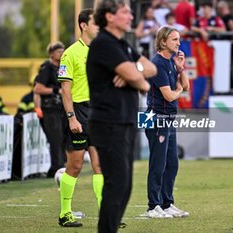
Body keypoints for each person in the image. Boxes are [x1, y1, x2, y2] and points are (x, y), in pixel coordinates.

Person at [86, 0, 157, 232]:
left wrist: (131, 72)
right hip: (108, 123)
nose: (130, 17)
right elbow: (141, 80)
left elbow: (151, 69)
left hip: (124, 121)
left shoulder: (122, 45)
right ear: (109, 16)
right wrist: (134, 74)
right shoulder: (104, 44)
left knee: (124, 186)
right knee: (116, 185)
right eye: (125, 12)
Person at [57, 8, 102, 228]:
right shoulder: (70, 53)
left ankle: (106, 214)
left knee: (100, 165)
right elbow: (66, 90)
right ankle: (65, 213)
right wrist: (71, 118)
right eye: (96, 23)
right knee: (74, 166)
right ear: (84, 25)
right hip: (79, 111)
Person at [145, 25, 190, 218]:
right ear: (163, 42)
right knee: (158, 163)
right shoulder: (157, 64)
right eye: (174, 39)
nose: (179, 43)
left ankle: (166, 203)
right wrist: (178, 90)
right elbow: (170, 96)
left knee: (172, 164)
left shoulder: (171, 62)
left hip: (168, 119)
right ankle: (152, 206)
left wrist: (181, 69)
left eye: (178, 39)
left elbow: (185, 85)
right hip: (155, 118)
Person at [34, 41, 66, 178]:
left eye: (63, 50)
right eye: (59, 51)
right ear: (51, 54)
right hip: (50, 109)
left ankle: (60, 166)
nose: (62, 53)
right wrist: (56, 90)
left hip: (61, 109)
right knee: (55, 138)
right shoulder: (47, 67)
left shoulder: (63, 67)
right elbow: (38, 88)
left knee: (63, 138)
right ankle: (56, 168)